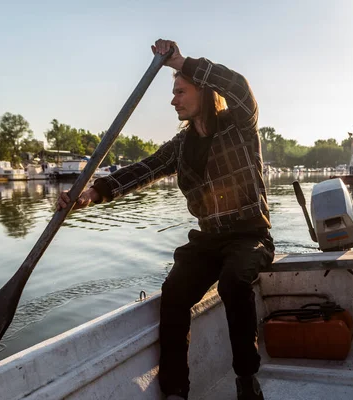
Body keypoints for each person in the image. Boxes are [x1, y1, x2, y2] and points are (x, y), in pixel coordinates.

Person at [57, 39, 274, 400]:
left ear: (203, 92)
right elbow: (143, 170)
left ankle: (246, 380)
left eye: (180, 90)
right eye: (172, 92)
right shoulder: (181, 145)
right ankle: (175, 390)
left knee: (234, 282)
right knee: (173, 295)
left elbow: (238, 87)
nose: (173, 99)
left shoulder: (238, 125)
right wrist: (93, 194)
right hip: (207, 241)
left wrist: (182, 61)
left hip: (249, 235)